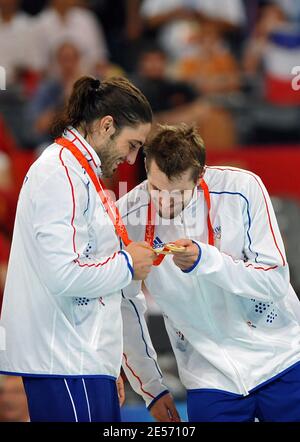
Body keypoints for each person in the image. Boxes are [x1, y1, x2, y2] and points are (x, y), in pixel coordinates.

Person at [0, 75, 174, 422]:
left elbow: (94, 273)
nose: (131, 159)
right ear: (107, 125)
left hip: (84, 360)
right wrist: (128, 264)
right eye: (132, 144)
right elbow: (63, 274)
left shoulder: (81, 174)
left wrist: (107, 362)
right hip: (64, 362)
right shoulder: (58, 172)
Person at [117, 123, 300, 422]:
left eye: (177, 193)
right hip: (208, 377)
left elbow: (274, 280)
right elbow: (125, 307)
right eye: (155, 188)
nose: (164, 202)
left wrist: (208, 260)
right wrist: (151, 387)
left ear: (200, 175)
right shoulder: (127, 217)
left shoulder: (242, 189)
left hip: (281, 359)